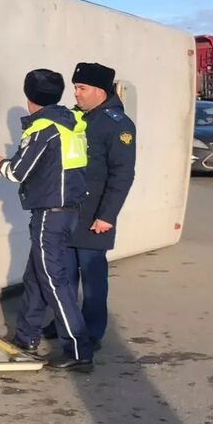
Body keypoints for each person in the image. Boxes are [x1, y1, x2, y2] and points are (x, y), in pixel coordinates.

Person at [0, 69, 93, 371]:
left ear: (30, 98)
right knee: (36, 276)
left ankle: (78, 350)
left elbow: (18, 171)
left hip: (50, 214)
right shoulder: (72, 124)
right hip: (69, 210)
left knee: (55, 282)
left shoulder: (44, 128)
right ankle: (26, 336)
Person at [61, 62, 136, 351]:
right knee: (63, 277)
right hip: (67, 212)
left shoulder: (118, 125)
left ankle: (92, 331)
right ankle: (65, 324)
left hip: (95, 216)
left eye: (81, 88)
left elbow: (122, 174)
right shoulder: (76, 118)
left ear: (100, 92)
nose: (76, 94)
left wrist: (107, 216)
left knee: (92, 281)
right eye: (75, 88)